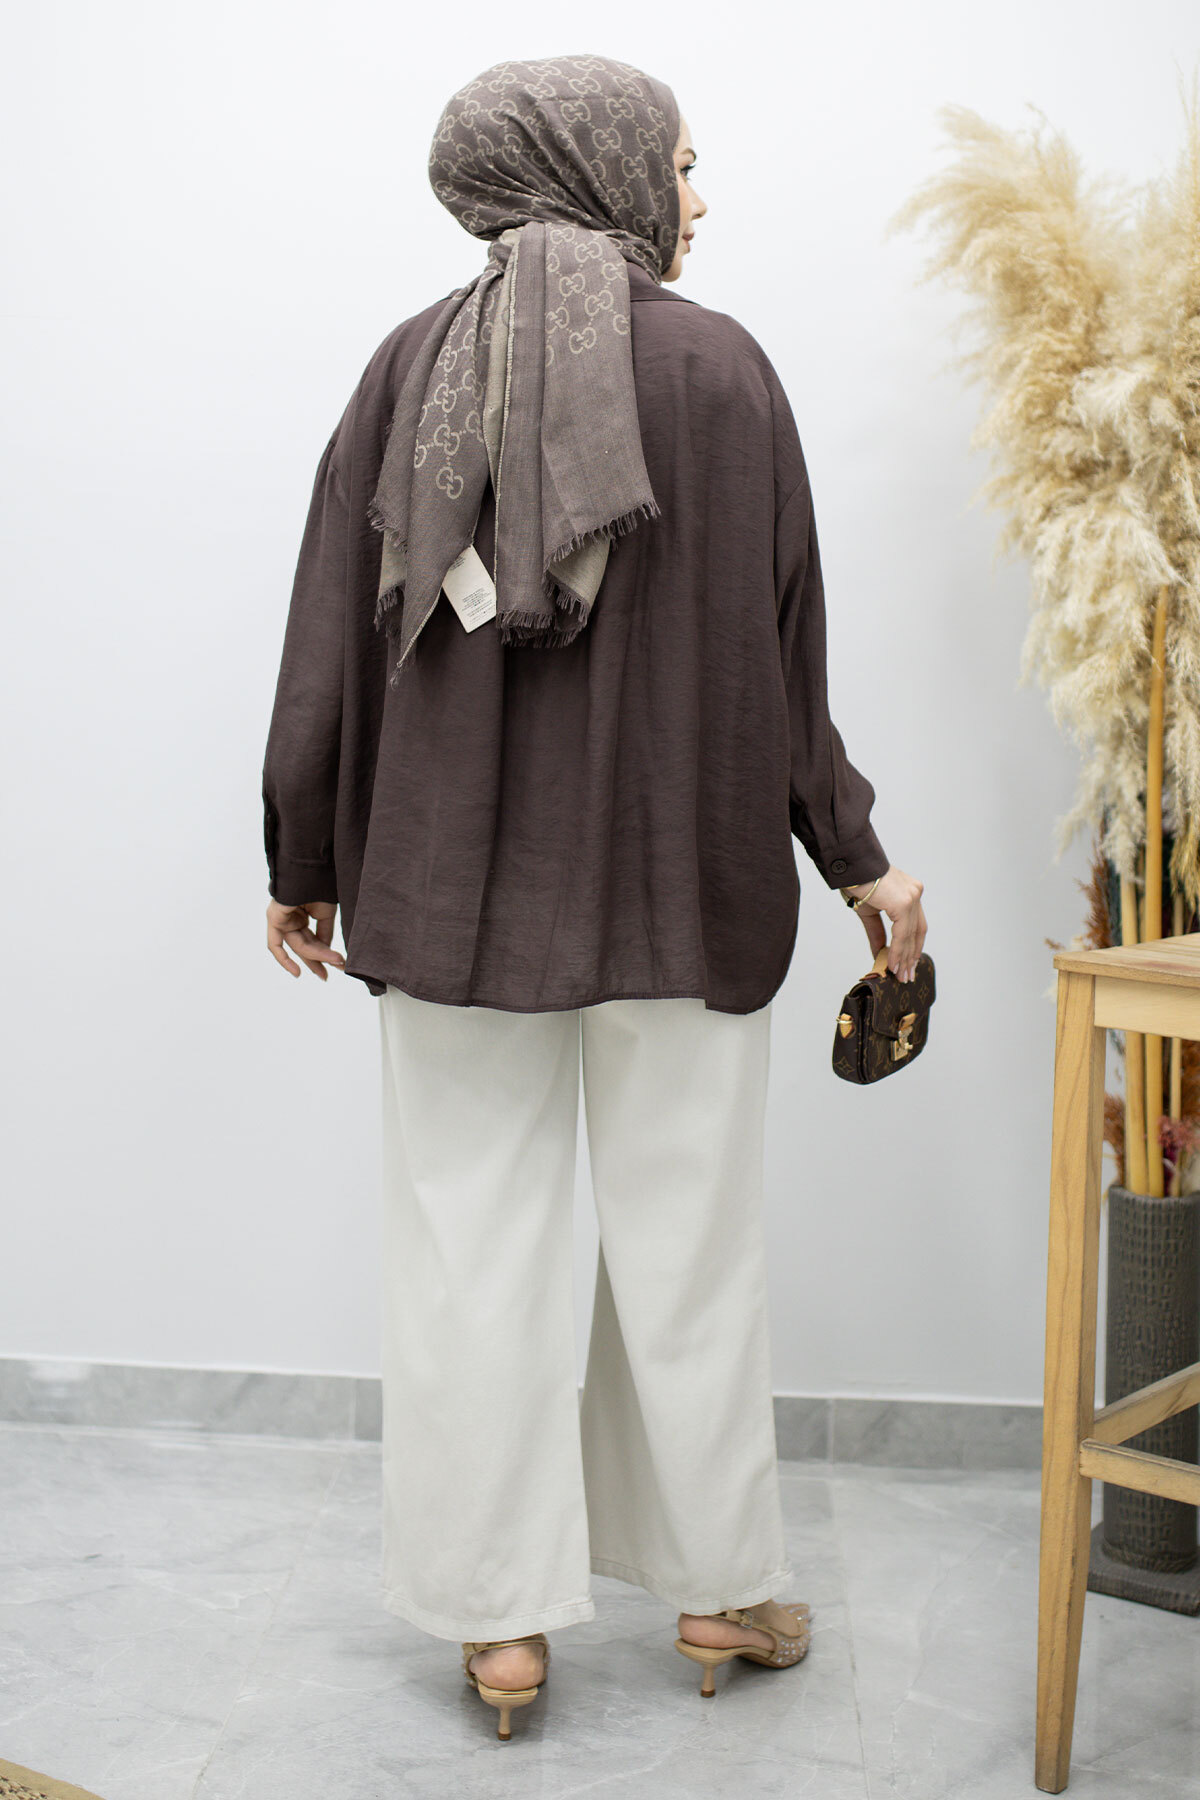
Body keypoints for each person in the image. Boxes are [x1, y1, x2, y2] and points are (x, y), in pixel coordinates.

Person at [261, 53, 927, 1740]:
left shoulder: (408, 367)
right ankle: (715, 1588)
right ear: (603, 162)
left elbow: (329, 626)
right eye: (684, 161)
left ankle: (498, 1628)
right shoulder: (723, 373)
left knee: (469, 1249)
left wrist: (305, 856)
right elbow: (783, 656)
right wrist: (854, 853)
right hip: (682, 885)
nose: (701, 195)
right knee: (693, 1250)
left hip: (449, 890)